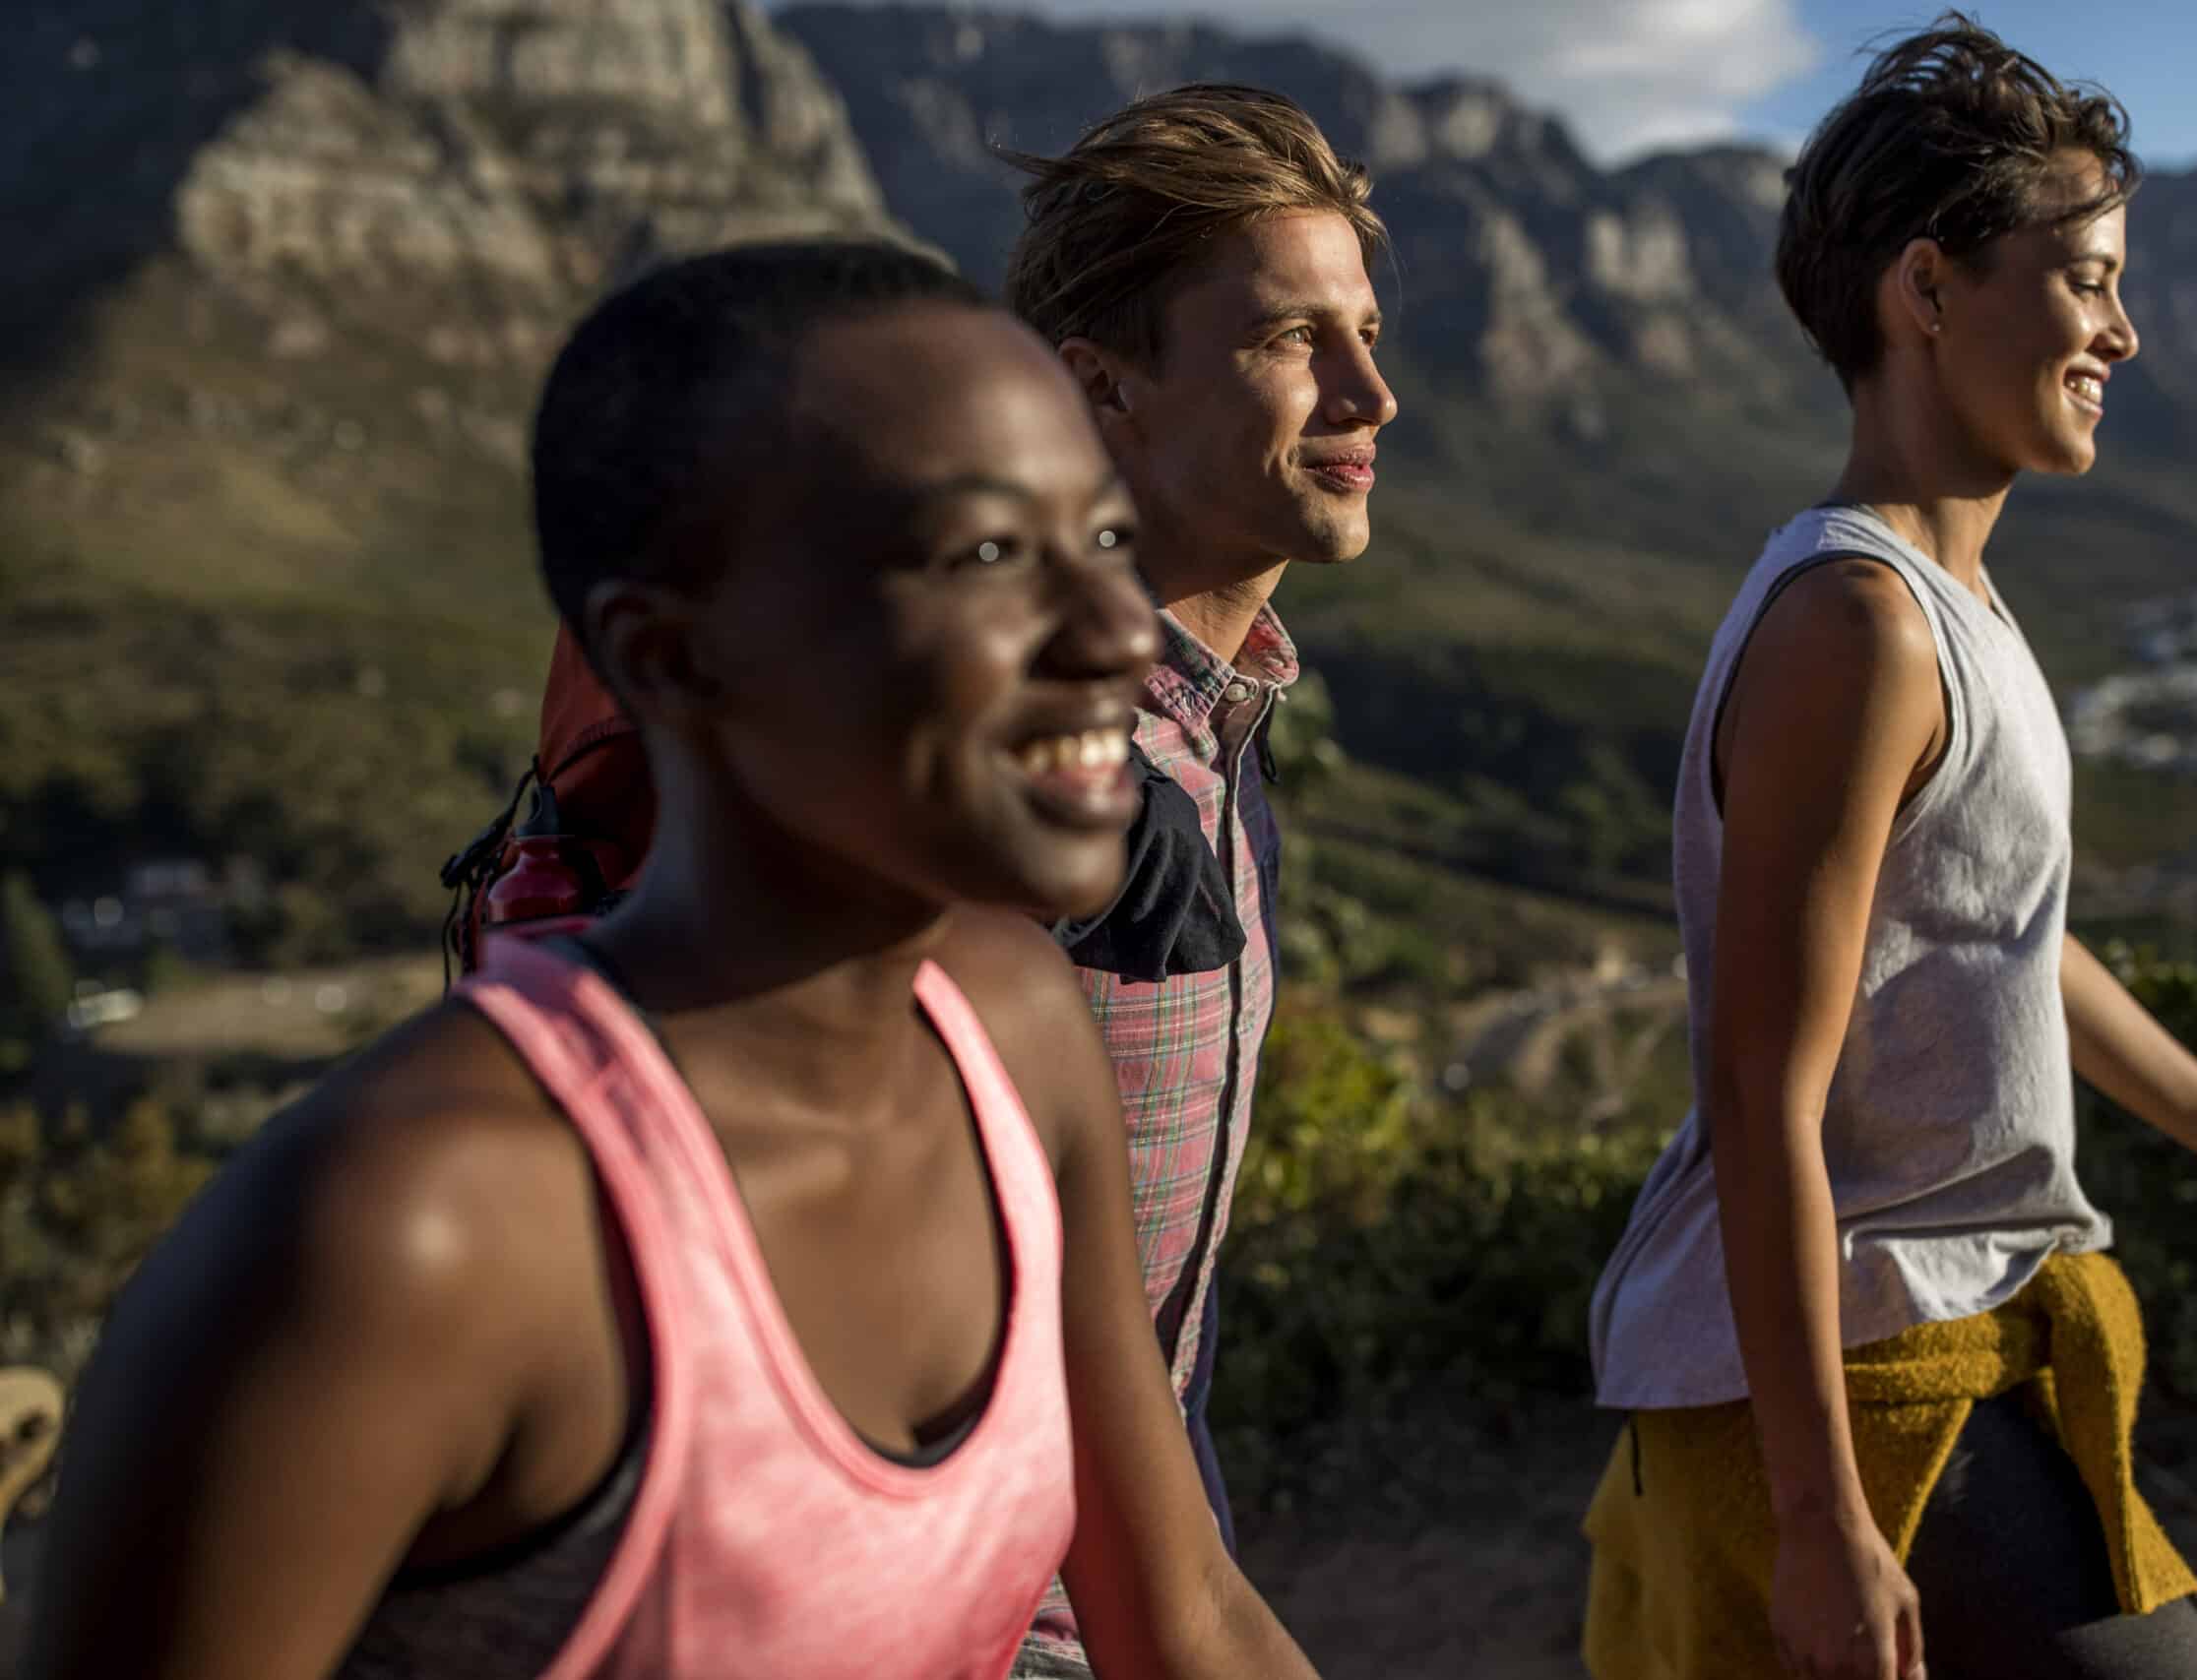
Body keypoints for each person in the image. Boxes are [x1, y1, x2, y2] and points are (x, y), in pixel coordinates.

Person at [25, 240, 1323, 1680]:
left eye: (1102, 542)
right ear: (671, 657)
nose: (1105, 636)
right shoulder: (401, 1240)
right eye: (985, 557)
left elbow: (1184, 1613)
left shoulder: (1013, 1036)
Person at [1580, 20, 2197, 1680]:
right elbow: (1762, 1088)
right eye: (2086, 276)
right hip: (1873, 1386)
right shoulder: (1860, 624)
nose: (2124, 327)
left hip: (1956, 1349)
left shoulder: (1949, 603)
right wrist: (1824, 1519)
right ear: (1928, 289)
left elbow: (1993, 933)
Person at [997, 84, 1399, 1679]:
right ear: (1103, 391)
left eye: (1365, 329)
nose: (1373, 391)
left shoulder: (1207, 741)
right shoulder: (1028, 772)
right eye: (1296, 341)